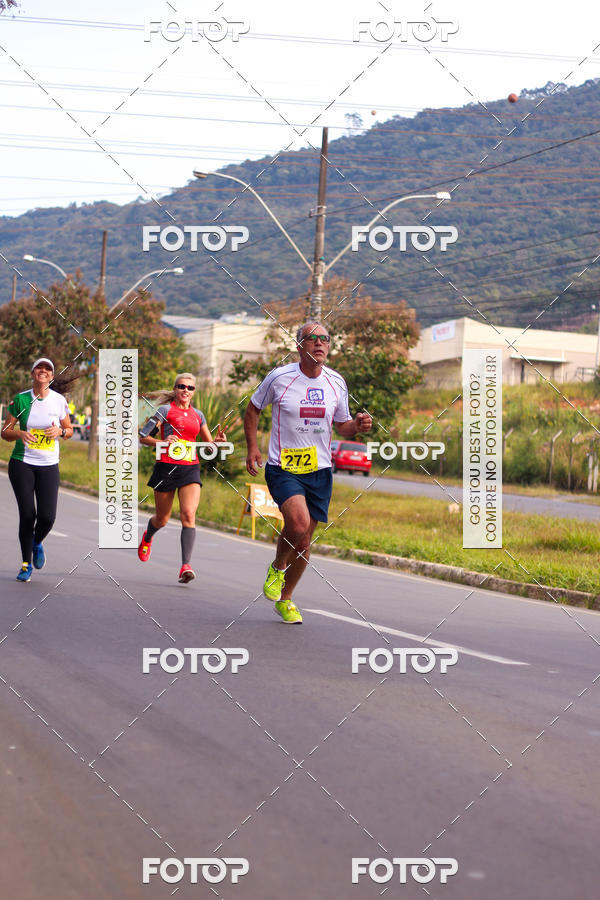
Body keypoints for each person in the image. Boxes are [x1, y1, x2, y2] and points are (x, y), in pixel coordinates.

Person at [244, 321, 372, 623]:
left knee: (304, 541)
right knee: (298, 524)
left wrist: (359, 425)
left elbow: (343, 426)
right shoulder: (280, 378)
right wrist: (252, 448)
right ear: (299, 345)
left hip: (320, 470)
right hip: (283, 466)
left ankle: (286, 599)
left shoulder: (336, 382)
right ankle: (277, 568)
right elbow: (253, 410)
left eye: (324, 339)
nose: (319, 343)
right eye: (312, 339)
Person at [138, 373, 227, 584]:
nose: (186, 390)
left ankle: (186, 566)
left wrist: (217, 442)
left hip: (190, 468)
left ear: (194, 392)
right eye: (181, 386)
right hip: (166, 468)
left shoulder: (199, 415)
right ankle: (148, 537)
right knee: (162, 519)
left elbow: (208, 446)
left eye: (190, 388)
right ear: (175, 389)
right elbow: (143, 436)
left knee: (188, 514)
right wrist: (161, 443)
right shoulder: (164, 411)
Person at [2, 358, 74, 582]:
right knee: (27, 514)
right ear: (33, 373)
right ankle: (25, 565)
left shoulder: (59, 401)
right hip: (22, 463)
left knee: (47, 517)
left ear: (52, 376)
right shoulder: (21, 399)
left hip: (49, 465)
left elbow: (69, 429)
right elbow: (5, 431)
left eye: (48, 369)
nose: (43, 371)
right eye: (39, 368)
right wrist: (20, 433)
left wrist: (60, 433)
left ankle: (36, 542)